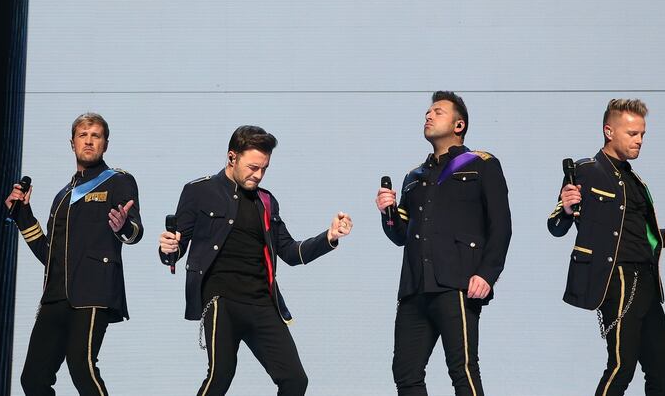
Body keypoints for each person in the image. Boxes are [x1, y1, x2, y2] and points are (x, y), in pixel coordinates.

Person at [547, 99, 665, 396]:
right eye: (632, 133)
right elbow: (556, 226)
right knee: (622, 366)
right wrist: (567, 209)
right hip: (617, 279)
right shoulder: (586, 171)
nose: (639, 140)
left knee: (662, 371)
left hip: (647, 281)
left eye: (642, 134)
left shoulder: (636, 182)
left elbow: (652, 239)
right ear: (609, 131)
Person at [158, 125, 353, 396]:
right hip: (221, 300)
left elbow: (290, 252)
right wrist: (168, 248)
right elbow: (175, 248)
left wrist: (329, 237)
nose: (258, 175)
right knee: (220, 376)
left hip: (263, 303)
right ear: (232, 157)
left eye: (264, 169)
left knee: (295, 380)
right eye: (253, 167)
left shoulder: (266, 201)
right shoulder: (198, 191)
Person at [375, 92, 512, 396]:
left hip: (456, 284)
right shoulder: (414, 176)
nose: (429, 115)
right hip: (414, 288)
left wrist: (487, 274)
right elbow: (400, 236)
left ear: (458, 125)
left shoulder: (482, 164)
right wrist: (387, 213)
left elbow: (501, 226)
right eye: (428, 112)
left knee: (462, 371)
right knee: (406, 374)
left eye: (438, 112)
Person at [5, 112, 143, 396]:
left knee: (82, 367)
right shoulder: (63, 195)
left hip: (93, 292)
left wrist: (123, 227)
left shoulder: (118, 181)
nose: (89, 141)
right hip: (54, 297)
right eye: (83, 135)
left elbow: (134, 232)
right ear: (72, 143)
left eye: (96, 136)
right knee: (33, 379)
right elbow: (50, 254)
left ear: (105, 143)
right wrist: (22, 215)